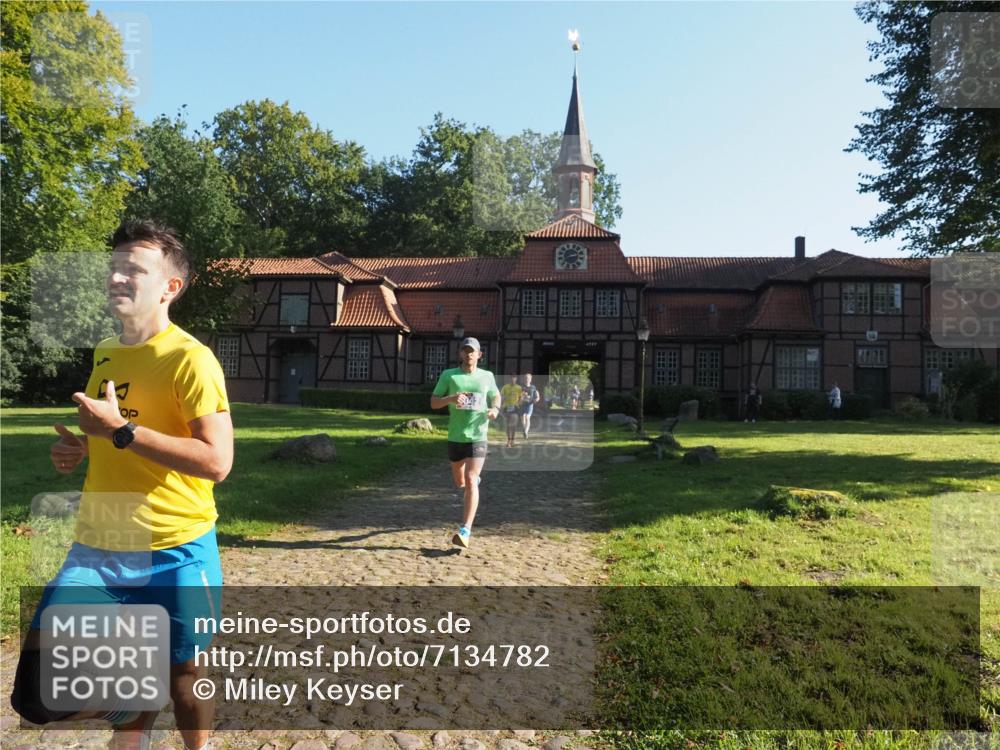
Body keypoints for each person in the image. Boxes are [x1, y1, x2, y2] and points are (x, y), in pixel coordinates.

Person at [11, 220, 234, 750]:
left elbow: (217, 461)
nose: (117, 277)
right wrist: (83, 446)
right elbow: (111, 431)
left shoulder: (191, 360)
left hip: (177, 549)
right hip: (100, 546)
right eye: (113, 267)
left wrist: (124, 431)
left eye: (133, 269)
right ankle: (132, 699)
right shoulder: (106, 353)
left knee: (185, 678)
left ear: (169, 287)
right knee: (38, 693)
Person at [430, 338, 500, 549]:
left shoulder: (487, 376)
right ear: (460, 353)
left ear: (479, 355)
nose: (469, 354)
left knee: (470, 478)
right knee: (460, 482)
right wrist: (451, 399)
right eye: (465, 350)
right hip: (456, 437)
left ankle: (465, 530)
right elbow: (433, 403)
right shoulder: (449, 375)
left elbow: (496, 396)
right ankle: (472, 484)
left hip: (478, 436)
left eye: (473, 351)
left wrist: (494, 410)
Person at [499, 373, 523, 449]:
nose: (513, 379)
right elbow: (502, 398)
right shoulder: (505, 387)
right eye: (511, 378)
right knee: (508, 425)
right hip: (506, 407)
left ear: (516, 379)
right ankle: (509, 440)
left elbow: (521, 398)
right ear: (509, 379)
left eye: (514, 378)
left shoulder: (519, 388)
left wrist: (519, 403)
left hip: (515, 408)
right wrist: (500, 408)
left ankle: (512, 439)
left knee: (513, 425)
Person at [520, 373, 540, 439]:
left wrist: (537, 399)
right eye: (525, 378)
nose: (527, 379)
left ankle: (526, 432)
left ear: (530, 379)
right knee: (523, 417)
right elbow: (518, 395)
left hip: (530, 404)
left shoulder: (533, 387)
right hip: (522, 404)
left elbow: (537, 395)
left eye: (528, 378)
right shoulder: (521, 387)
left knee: (527, 417)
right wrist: (521, 398)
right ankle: (524, 429)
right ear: (524, 379)